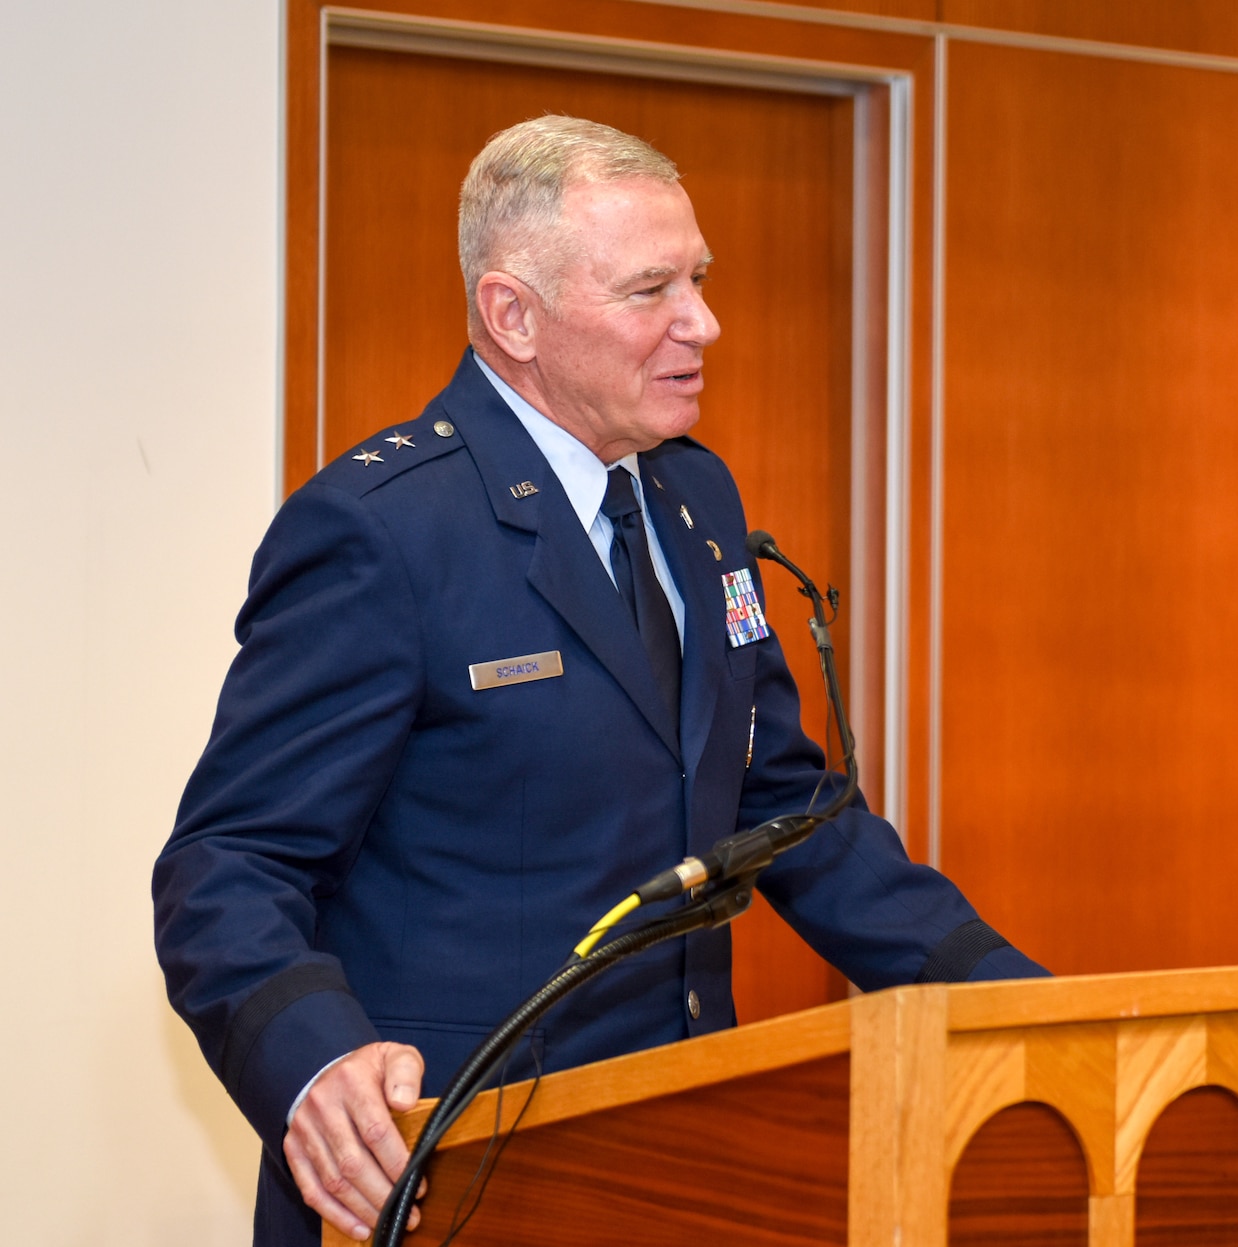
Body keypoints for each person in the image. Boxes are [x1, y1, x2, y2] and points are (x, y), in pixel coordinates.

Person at [153, 116, 1044, 1247]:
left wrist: (1011, 998)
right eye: (650, 289)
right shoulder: (383, 532)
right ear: (511, 314)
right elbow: (228, 862)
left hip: (671, 1159)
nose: (703, 322)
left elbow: (784, 808)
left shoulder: (693, 500)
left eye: (701, 279)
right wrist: (315, 1059)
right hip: (452, 1176)